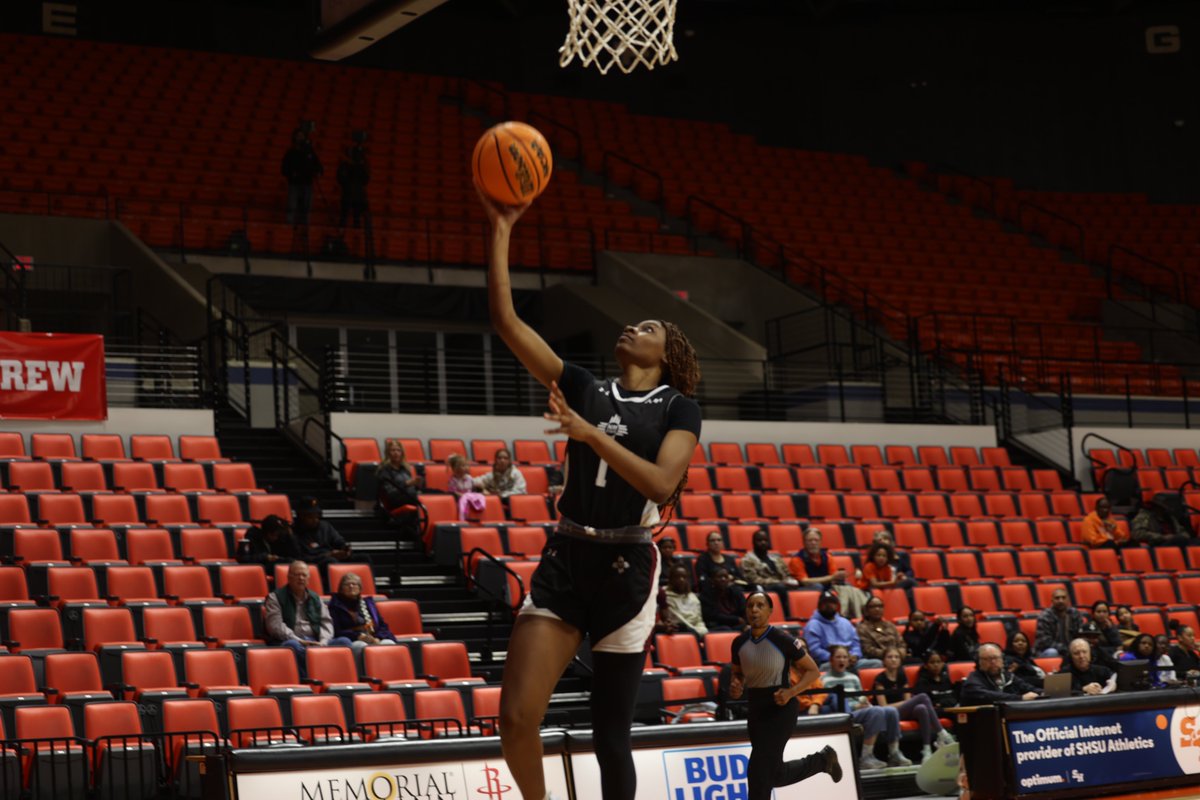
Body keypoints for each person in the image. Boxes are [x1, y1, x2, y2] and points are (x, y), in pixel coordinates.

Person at [481, 185, 702, 800]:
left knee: (611, 737)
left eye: (648, 326)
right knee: (517, 718)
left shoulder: (680, 407)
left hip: (628, 565)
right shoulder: (584, 385)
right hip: (568, 554)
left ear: (669, 354)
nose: (632, 326)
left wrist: (587, 436)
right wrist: (501, 227)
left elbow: (661, 482)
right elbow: (506, 322)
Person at [728, 591, 842, 797]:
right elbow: (737, 673)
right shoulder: (738, 643)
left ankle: (822, 761)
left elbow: (813, 671)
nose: (754, 610)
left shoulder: (782, 639)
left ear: (770, 611)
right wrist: (736, 685)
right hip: (755, 708)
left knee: (757, 773)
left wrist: (791, 692)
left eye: (760, 605)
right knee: (773, 773)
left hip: (780, 707)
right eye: (750, 605)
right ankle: (822, 761)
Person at [822, 645, 911, 770]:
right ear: (831, 660)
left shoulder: (854, 678)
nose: (842, 660)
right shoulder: (824, 679)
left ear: (848, 660)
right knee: (877, 710)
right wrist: (857, 706)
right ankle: (866, 757)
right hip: (844, 714)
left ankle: (894, 753)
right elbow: (828, 703)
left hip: (860, 711)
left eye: (845, 657)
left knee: (891, 711)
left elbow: (861, 698)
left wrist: (864, 704)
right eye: (838, 657)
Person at [264, 561, 353, 677]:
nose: (301, 578)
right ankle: (310, 680)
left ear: (309, 578)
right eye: (297, 575)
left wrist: (323, 642)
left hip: (315, 640)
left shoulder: (315, 598)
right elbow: (275, 626)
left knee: (344, 642)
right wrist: (298, 640)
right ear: (289, 577)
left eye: (304, 575)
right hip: (292, 640)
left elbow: (326, 622)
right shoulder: (275, 597)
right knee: (292, 646)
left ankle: (338, 680)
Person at [871, 646, 955, 763]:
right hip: (890, 715)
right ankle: (941, 733)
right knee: (922, 697)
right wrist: (906, 703)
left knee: (921, 708)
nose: (893, 660)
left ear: (900, 660)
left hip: (903, 711)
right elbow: (884, 707)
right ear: (883, 661)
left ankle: (926, 749)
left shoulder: (902, 676)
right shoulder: (880, 679)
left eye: (896, 657)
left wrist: (908, 702)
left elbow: (907, 701)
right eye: (890, 657)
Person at [787, 527, 867, 618]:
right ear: (804, 542)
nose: (813, 543)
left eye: (816, 540)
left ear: (820, 542)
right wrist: (832, 577)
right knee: (818, 586)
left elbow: (834, 577)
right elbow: (804, 581)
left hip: (828, 587)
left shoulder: (827, 557)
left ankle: (855, 614)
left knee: (848, 587)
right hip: (806, 589)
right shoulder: (797, 560)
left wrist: (841, 576)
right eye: (810, 540)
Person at [803, 590, 882, 672]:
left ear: (837, 606)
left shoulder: (845, 622)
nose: (829, 605)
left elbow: (856, 643)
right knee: (824, 668)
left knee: (876, 663)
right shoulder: (812, 625)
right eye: (825, 603)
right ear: (819, 606)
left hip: (851, 662)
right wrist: (838, 658)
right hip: (829, 663)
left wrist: (855, 655)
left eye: (832, 603)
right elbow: (814, 650)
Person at [328, 572, 397, 651]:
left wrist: (378, 637)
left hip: (373, 637)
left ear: (360, 588)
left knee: (388, 643)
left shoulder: (368, 604)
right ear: (341, 588)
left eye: (354, 584)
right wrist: (358, 636)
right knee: (361, 645)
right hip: (352, 640)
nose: (351, 586)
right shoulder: (335, 605)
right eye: (347, 584)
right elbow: (336, 631)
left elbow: (382, 625)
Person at [960, 643, 1040, 705]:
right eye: (987, 659)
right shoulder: (973, 681)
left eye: (996, 658)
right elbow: (989, 696)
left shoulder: (1008, 676)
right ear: (978, 662)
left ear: (1002, 660)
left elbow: (1027, 687)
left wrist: (1043, 693)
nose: (993, 662)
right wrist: (1020, 698)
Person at [293, 497, 352, 566]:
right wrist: (327, 555)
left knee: (363, 557)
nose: (315, 520)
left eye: (317, 516)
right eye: (311, 517)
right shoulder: (294, 531)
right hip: (314, 563)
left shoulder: (325, 526)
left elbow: (338, 541)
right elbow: (301, 558)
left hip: (331, 557)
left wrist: (345, 550)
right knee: (331, 561)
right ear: (301, 516)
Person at [282, 127, 323, 226]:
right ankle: (289, 225)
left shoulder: (309, 152)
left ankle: (305, 226)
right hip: (294, 183)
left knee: (306, 207)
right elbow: (284, 168)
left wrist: (317, 171)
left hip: (307, 183)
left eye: (302, 136)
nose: (300, 138)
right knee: (292, 206)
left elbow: (317, 165)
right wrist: (292, 174)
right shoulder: (291, 152)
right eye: (298, 136)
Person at [1035, 587, 1083, 657]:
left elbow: (1081, 635)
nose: (1061, 601)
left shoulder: (1075, 614)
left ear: (1068, 600)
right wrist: (1066, 649)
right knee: (1052, 652)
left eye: (1063, 598)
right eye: (1057, 598)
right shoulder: (1045, 616)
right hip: (1048, 651)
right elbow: (1045, 642)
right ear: (1052, 600)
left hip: (1071, 649)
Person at [661, 564, 707, 636]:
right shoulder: (665, 596)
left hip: (696, 631)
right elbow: (676, 620)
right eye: (677, 577)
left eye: (684, 577)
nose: (681, 579)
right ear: (671, 579)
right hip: (679, 632)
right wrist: (695, 632)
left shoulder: (693, 598)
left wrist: (702, 631)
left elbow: (699, 621)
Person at [856, 595, 904, 661]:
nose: (877, 609)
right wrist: (889, 655)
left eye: (880, 606)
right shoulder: (862, 628)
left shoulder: (890, 625)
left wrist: (899, 653)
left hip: (897, 657)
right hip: (878, 659)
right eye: (873, 607)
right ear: (867, 610)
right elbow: (868, 649)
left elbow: (901, 643)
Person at [699, 567, 747, 631]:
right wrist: (736, 619)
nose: (723, 579)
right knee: (726, 629)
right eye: (720, 577)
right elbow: (713, 616)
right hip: (717, 625)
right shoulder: (706, 595)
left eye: (725, 577)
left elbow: (744, 608)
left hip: (736, 624)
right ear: (712, 580)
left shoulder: (736, 592)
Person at [336, 140, 369, 229]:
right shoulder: (345, 165)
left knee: (356, 218)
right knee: (344, 217)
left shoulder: (361, 167)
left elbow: (366, 179)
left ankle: (354, 232)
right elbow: (340, 178)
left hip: (356, 194)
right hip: (349, 193)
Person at [447, 453, 486, 521]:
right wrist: (463, 495)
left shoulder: (469, 477)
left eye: (467, 465)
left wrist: (481, 487)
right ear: (456, 468)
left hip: (469, 498)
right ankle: (463, 518)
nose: (466, 467)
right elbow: (453, 492)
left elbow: (474, 486)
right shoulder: (453, 480)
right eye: (463, 466)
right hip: (459, 499)